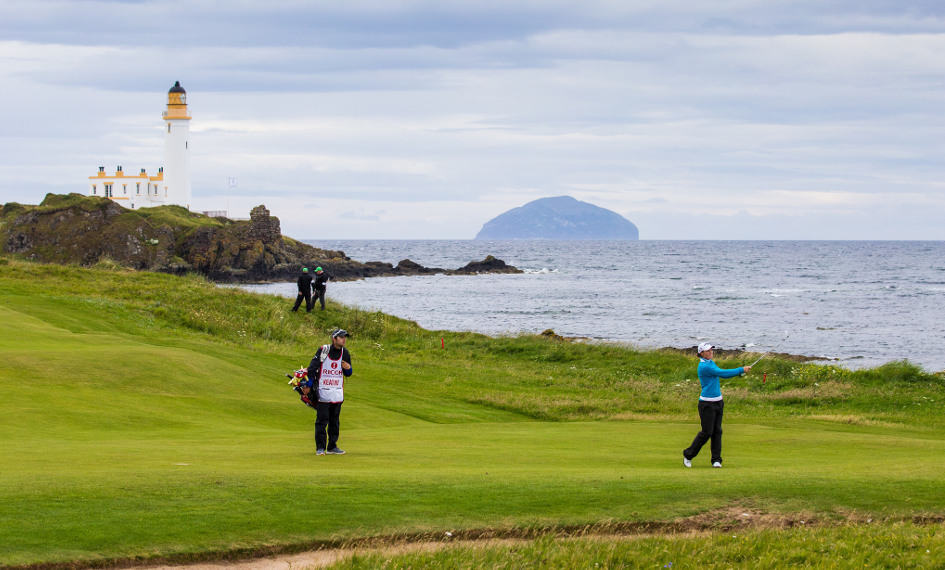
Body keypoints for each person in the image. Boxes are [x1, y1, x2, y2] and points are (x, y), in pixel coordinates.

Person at [683, 342, 751, 468]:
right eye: (708, 351)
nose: (711, 352)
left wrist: (740, 373)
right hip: (706, 403)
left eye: (711, 350)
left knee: (717, 431)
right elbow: (722, 373)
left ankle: (716, 460)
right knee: (707, 432)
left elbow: (719, 373)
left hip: (718, 401)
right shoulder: (704, 366)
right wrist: (741, 369)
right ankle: (688, 455)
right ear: (701, 353)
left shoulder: (710, 363)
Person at [307, 329, 353, 455]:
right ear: (334, 339)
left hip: (337, 393)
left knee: (334, 421)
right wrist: (309, 386)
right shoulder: (324, 350)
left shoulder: (345, 353)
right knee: (322, 421)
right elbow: (312, 368)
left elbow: (348, 373)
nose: (344, 339)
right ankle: (320, 448)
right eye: (341, 337)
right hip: (323, 392)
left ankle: (332, 446)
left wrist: (348, 369)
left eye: (345, 337)